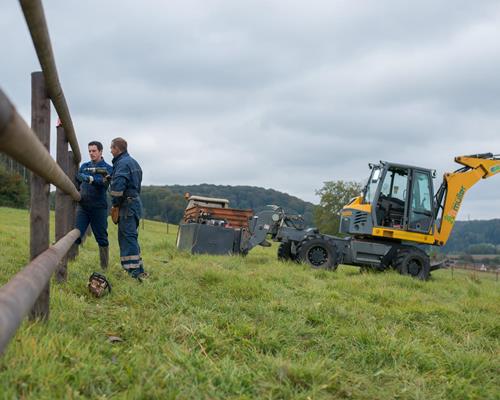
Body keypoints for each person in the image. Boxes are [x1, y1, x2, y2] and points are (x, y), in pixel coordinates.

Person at [109, 137, 147, 280]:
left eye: (111, 148)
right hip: (135, 203)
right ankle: (139, 268)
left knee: (127, 238)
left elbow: (118, 188)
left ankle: (133, 273)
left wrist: (115, 204)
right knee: (132, 237)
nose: (110, 151)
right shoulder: (133, 162)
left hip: (126, 206)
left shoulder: (122, 164)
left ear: (117, 149)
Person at [75, 141, 113, 268]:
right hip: (83, 206)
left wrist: (90, 179)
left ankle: (104, 267)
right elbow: (77, 180)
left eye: (94, 151)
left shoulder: (108, 168)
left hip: (99, 208)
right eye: (89, 151)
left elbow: (104, 183)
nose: (91, 153)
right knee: (76, 233)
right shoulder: (84, 166)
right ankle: (70, 259)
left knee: (101, 238)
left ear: (101, 151)